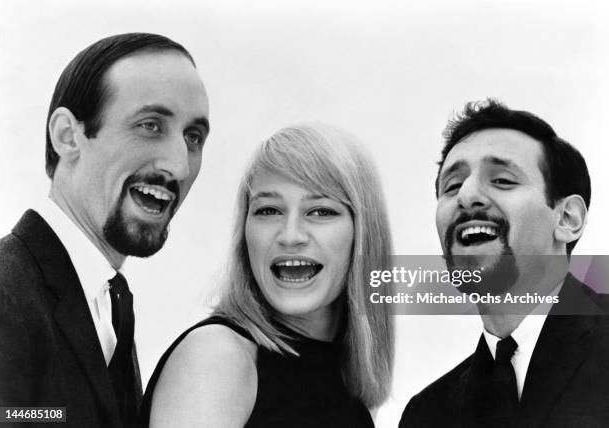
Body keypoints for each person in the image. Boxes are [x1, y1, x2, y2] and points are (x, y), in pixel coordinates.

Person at [0, 33, 210, 427]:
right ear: (67, 135)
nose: (179, 166)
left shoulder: (111, 302)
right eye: (150, 125)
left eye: (193, 137)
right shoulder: (4, 293)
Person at [141, 124, 394, 427]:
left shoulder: (347, 379)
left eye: (321, 211)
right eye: (269, 210)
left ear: (363, 233)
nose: (290, 236)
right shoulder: (217, 358)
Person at [400, 99, 609, 427]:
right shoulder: (426, 414)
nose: (466, 196)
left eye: (502, 180)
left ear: (567, 218)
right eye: (451, 186)